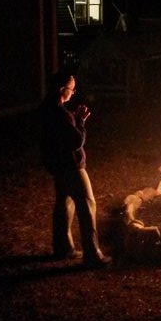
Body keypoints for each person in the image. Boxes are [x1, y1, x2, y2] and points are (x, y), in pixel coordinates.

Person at [39, 70, 111, 268]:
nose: (74, 92)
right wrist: (80, 121)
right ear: (62, 89)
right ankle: (93, 254)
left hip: (58, 166)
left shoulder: (47, 109)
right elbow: (76, 140)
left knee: (64, 205)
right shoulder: (60, 113)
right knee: (87, 205)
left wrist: (73, 119)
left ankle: (63, 247)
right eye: (71, 88)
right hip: (71, 166)